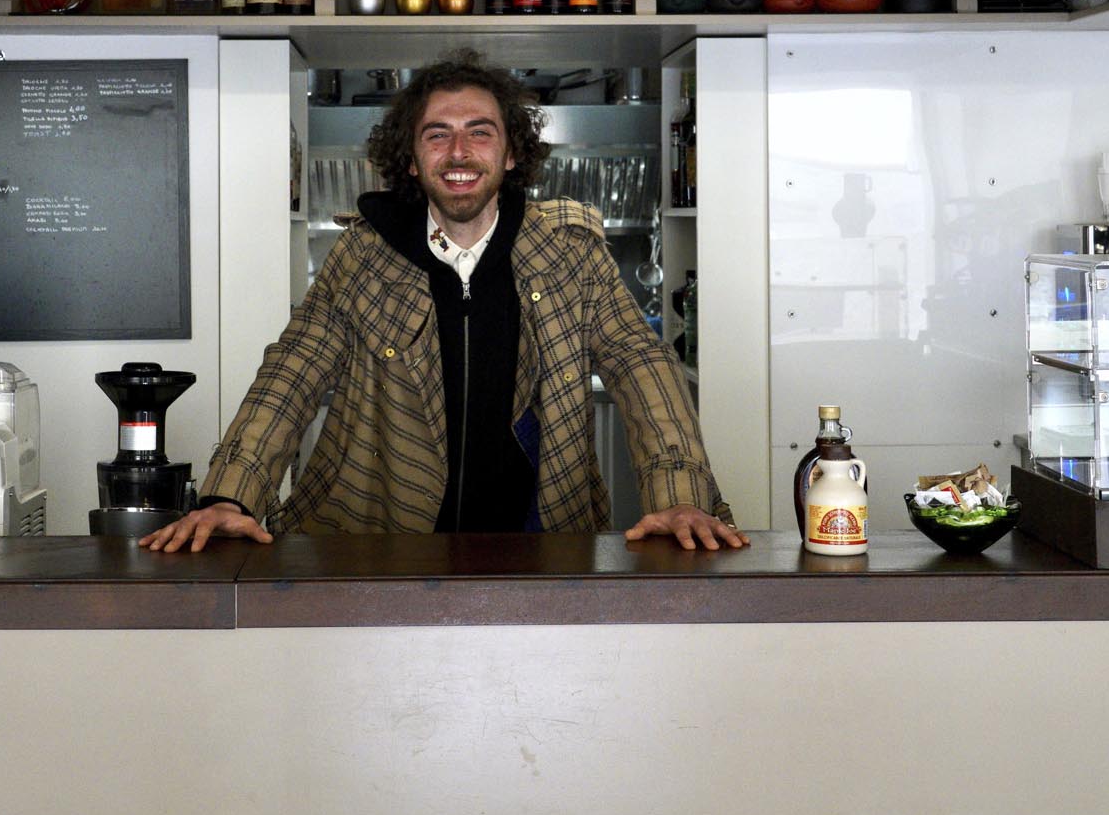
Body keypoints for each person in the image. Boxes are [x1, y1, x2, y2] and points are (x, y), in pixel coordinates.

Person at [141, 49, 746, 552]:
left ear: (511, 154)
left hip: (540, 545)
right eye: (438, 135)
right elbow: (292, 372)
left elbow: (640, 364)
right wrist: (230, 496)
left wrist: (682, 497)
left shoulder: (570, 253)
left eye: (480, 133)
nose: (459, 152)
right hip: (379, 547)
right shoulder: (363, 255)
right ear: (411, 158)